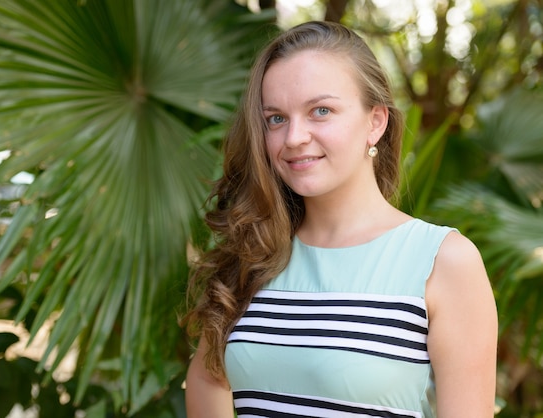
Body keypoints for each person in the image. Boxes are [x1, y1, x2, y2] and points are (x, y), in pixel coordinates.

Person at [184, 20, 497, 418]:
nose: (294, 137)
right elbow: (208, 380)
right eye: (276, 118)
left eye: (320, 111)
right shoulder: (254, 252)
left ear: (375, 122)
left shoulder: (443, 260)